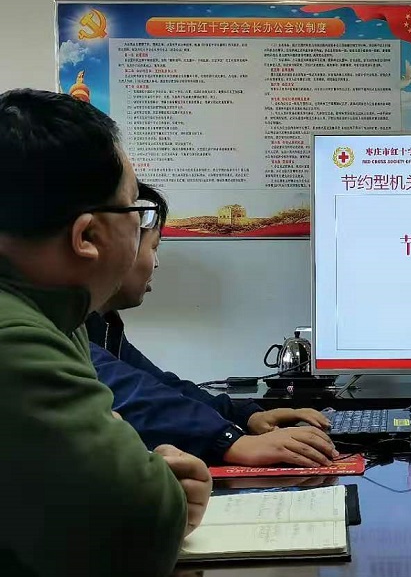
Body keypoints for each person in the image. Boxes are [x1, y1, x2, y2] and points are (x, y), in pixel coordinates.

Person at [0, 89, 210, 577]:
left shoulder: (57, 311)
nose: (143, 233)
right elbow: (132, 535)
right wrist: (160, 489)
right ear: (88, 236)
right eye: (136, 211)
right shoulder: (16, 340)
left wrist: (136, 463)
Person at [87, 183, 338, 467]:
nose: (155, 263)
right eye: (153, 246)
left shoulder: (101, 324)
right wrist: (230, 441)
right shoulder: (60, 330)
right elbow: (124, 391)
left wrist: (244, 416)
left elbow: (158, 385)